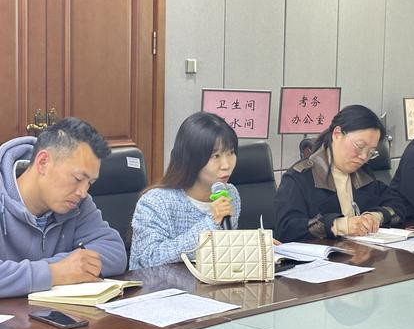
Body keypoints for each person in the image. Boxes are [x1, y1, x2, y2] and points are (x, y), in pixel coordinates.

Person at [0, 118, 127, 298]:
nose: (83, 192)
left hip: (50, 312)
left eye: (90, 183)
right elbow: (60, 271)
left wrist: (68, 268)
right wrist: (55, 272)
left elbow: (115, 251)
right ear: (43, 162)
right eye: (77, 178)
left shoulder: (77, 203)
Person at [274, 105, 405, 243]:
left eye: (371, 152)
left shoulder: (363, 173)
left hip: (362, 252)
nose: (363, 157)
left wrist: (377, 216)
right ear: (337, 134)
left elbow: (398, 205)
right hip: (326, 255)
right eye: (359, 147)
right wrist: (338, 226)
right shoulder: (299, 177)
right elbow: (286, 229)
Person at [129, 112, 241, 270]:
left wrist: (253, 246)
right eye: (215, 156)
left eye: (230, 153)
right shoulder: (155, 202)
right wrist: (210, 224)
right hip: (160, 285)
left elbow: (224, 253)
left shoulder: (230, 194)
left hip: (210, 283)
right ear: (191, 158)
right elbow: (149, 259)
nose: (226, 165)